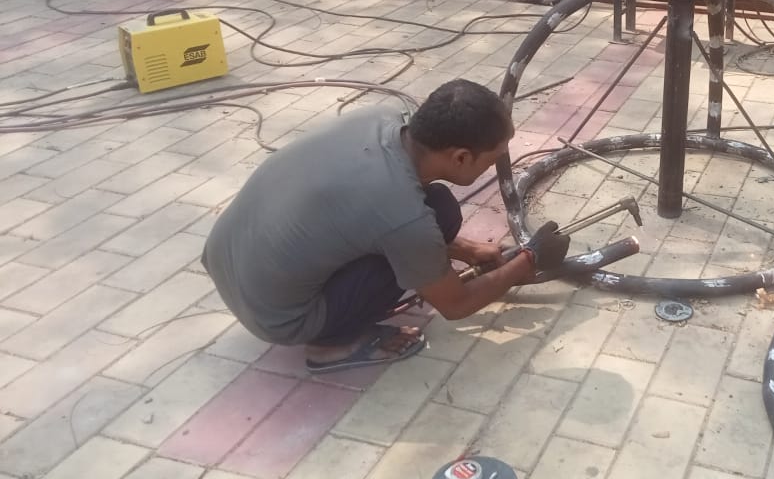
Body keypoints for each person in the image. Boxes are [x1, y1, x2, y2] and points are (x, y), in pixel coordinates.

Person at [201, 79, 569, 373]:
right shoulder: (404, 215)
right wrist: (530, 259)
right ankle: (331, 347)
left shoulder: (380, 118)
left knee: (438, 207)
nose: (494, 166)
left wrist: (468, 250)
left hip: (226, 261)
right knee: (426, 223)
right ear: (460, 157)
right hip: (280, 318)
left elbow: (375, 215)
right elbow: (456, 305)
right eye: (492, 159)